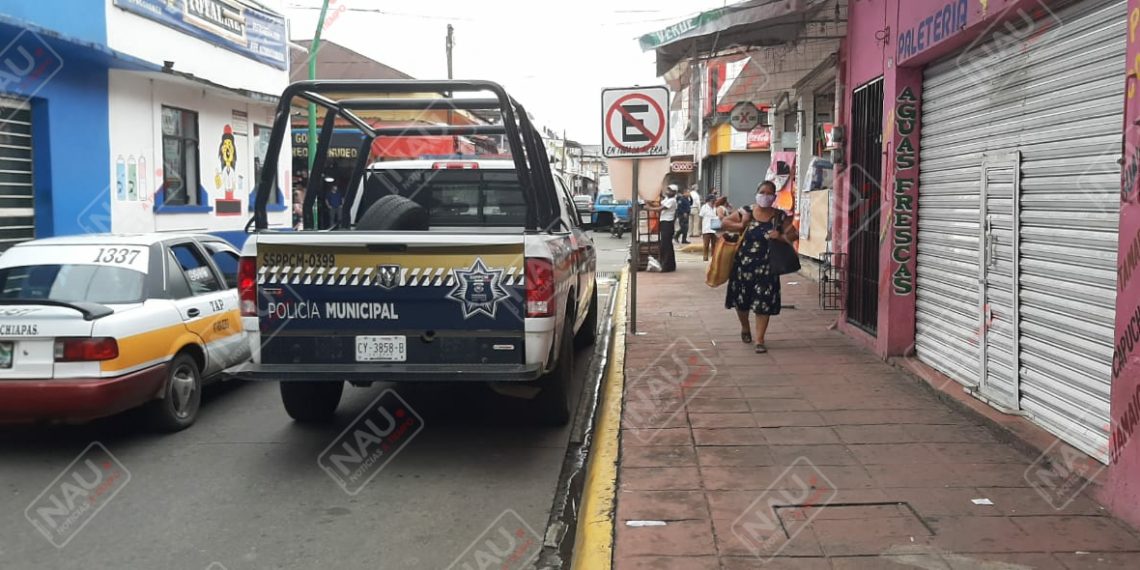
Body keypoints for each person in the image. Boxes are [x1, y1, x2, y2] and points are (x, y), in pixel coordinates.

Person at [720, 181, 798, 353]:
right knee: (742, 303)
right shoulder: (746, 211)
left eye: (769, 193)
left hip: (767, 267)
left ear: (774, 197)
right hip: (743, 265)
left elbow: (794, 234)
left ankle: (760, 339)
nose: (765, 196)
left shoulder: (779, 216)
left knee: (763, 303)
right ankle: (745, 327)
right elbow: (724, 223)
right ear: (756, 193)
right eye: (762, 192)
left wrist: (781, 236)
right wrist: (741, 225)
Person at [646, 184, 678, 272]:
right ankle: (668, 264)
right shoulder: (667, 199)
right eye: (667, 190)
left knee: (666, 245)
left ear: (674, 192)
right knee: (665, 245)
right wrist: (649, 202)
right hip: (664, 222)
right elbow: (658, 205)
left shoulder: (672, 200)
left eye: (670, 191)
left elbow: (660, 208)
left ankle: (667, 266)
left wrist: (649, 208)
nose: (668, 192)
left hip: (668, 223)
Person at [698, 194, 719, 261]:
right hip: (706, 228)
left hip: (715, 227)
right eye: (713, 200)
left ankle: (714, 257)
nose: (714, 201)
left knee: (715, 244)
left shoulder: (716, 208)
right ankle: (705, 256)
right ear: (709, 200)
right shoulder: (704, 207)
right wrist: (700, 229)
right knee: (706, 244)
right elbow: (700, 218)